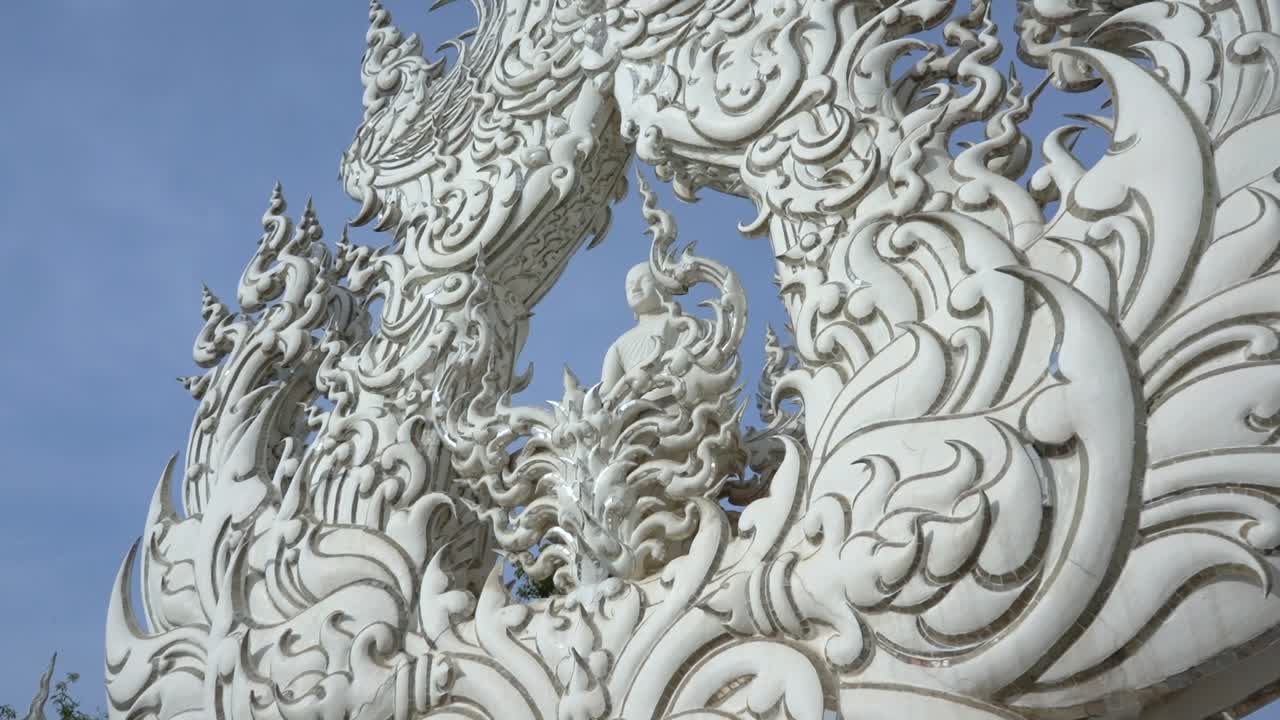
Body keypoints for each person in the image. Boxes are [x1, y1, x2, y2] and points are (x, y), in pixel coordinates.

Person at [599, 262, 683, 397]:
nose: (635, 289)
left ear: (663, 285)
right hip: (637, 411)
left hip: (679, 397)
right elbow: (605, 392)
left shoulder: (683, 324)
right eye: (629, 286)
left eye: (644, 281)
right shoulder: (620, 345)